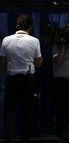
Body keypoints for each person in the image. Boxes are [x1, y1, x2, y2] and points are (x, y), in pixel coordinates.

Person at [0, 14, 43, 143]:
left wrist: (1, 80)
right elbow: (38, 62)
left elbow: (2, 63)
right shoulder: (34, 40)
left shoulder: (6, 40)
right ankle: (25, 138)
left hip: (12, 79)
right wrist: (41, 60)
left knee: (9, 111)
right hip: (28, 78)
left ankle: (8, 138)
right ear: (30, 27)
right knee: (27, 110)